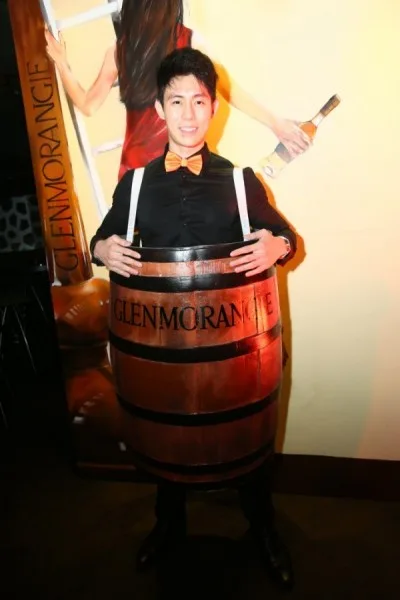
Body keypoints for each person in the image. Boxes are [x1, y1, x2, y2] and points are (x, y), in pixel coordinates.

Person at [90, 46, 298, 591]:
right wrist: (102, 249)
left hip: (235, 346)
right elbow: (100, 239)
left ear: (213, 108)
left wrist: (277, 245)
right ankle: (168, 525)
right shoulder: (135, 185)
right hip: (156, 347)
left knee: (248, 445)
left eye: (199, 101)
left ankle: (263, 529)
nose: (188, 114)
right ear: (160, 109)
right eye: (176, 101)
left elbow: (286, 237)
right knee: (166, 438)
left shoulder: (240, 182)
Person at [44, 0, 310, 180]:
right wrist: (276, 123)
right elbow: (230, 90)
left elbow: (88, 105)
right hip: (180, 169)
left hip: (137, 172)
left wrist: (63, 65)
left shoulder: (120, 49)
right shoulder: (188, 40)